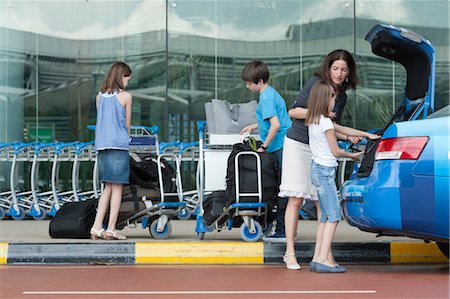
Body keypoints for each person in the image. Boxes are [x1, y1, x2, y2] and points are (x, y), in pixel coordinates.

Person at [280, 49, 361, 270]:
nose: (339, 73)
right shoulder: (316, 84)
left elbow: (332, 128)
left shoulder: (341, 96)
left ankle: (324, 253)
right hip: (298, 144)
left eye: (343, 69)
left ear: (348, 73)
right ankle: (289, 252)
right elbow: (293, 112)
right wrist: (319, 113)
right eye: (335, 68)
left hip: (320, 150)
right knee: (296, 199)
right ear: (328, 67)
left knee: (321, 202)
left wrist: (349, 136)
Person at [305, 80, 378, 272]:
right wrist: (353, 155)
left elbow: (342, 130)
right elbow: (336, 151)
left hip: (317, 170)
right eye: (333, 97)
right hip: (325, 172)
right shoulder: (326, 122)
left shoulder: (314, 119)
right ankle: (323, 260)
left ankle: (317, 258)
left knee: (325, 217)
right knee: (334, 216)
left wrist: (366, 135)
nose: (335, 101)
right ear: (325, 99)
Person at [240, 60, 292, 242]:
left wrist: (263, 147)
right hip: (284, 145)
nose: (247, 86)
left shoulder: (266, 98)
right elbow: (273, 120)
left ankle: (282, 230)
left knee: (282, 189)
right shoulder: (271, 94)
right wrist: (254, 126)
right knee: (282, 188)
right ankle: (282, 228)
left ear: (260, 81)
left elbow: (275, 125)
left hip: (280, 146)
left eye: (249, 83)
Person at [90, 62, 132, 240]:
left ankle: (96, 226)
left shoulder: (99, 97)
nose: (128, 82)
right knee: (117, 188)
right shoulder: (126, 97)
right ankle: (111, 228)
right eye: (127, 78)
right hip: (118, 145)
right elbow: (127, 124)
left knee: (107, 186)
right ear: (121, 77)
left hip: (102, 145)